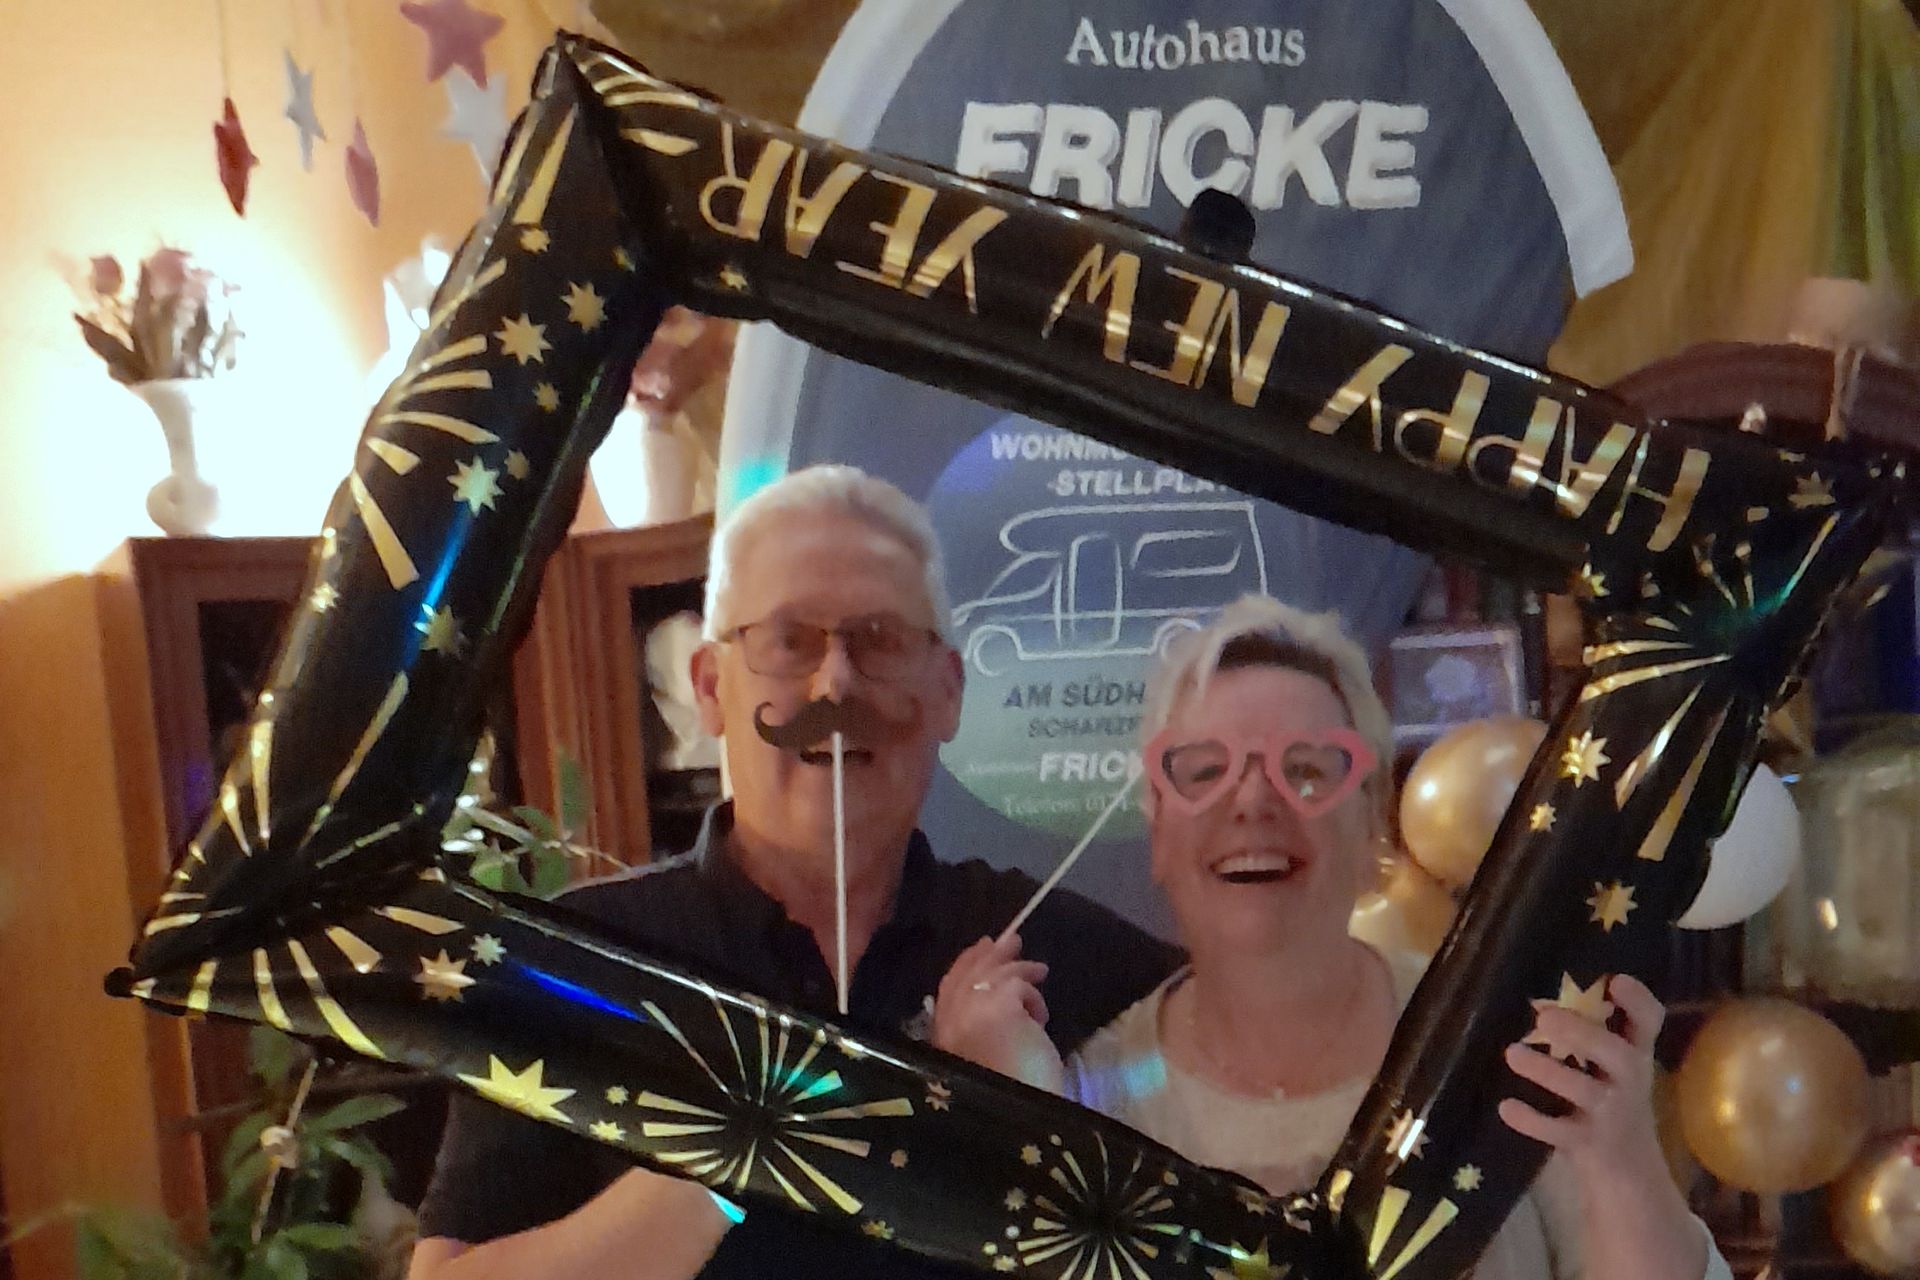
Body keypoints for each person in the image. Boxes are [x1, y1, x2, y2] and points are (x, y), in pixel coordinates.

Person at [408, 464, 1181, 1280]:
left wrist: (1021, 1115)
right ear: (711, 687)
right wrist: (744, 1153)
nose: (836, 679)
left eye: (879, 639)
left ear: (948, 691)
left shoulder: (1039, 943)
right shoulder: (573, 959)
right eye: (789, 640)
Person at [933, 594, 1733, 1280]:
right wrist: (1006, 1126)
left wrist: (1621, 1162)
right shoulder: (1094, 1099)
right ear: (1158, 836)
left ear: (1371, 824)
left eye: (1309, 770)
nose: (1254, 801)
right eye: (1204, 771)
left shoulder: (1500, 1047)